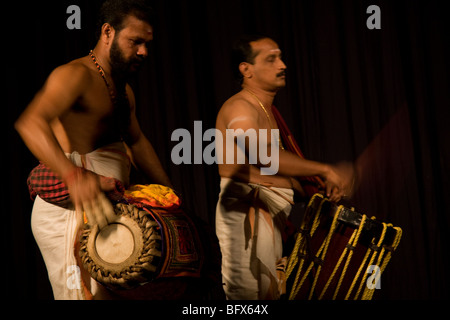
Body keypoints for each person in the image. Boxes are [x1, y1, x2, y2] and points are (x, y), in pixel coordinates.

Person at [15, 0, 172, 299]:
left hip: (107, 206)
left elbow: (136, 142)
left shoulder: (124, 90)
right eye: (135, 41)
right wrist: (73, 176)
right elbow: (30, 123)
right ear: (108, 32)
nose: (143, 52)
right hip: (69, 210)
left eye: (147, 43)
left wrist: (168, 192)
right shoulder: (75, 75)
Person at [215, 34, 356, 300]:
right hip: (248, 216)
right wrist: (325, 170)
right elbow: (262, 155)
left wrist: (314, 187)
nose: (283, 65)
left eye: (281, 57)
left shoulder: (267, 111)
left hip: (269, 218)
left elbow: (273, 173)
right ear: (246, 69)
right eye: (271, 59)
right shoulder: (240, 107)